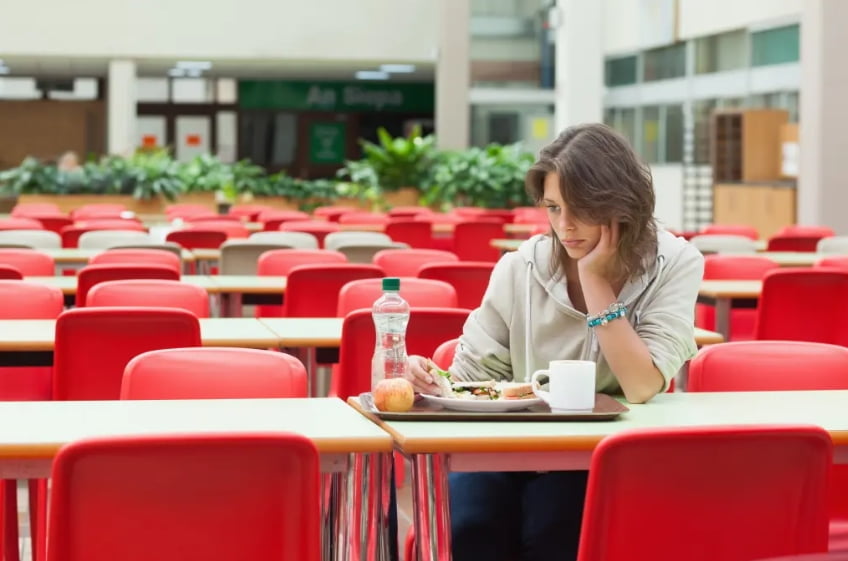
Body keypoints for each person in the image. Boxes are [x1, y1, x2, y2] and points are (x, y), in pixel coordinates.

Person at [406, 123, 704, 561]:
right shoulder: (519, 267)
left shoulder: (674, 263)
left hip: (601, 456)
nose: (564, 227)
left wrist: (595, 282)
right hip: (505, 451)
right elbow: (470, 378)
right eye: (553, 207)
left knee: (555, 532)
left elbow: (642, 386)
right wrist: (431, 378)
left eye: (580, 209)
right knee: (471, 528)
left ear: (620, 203)